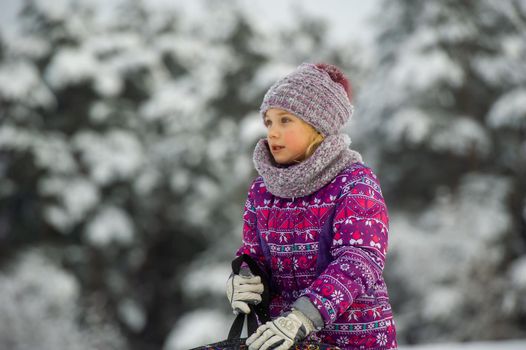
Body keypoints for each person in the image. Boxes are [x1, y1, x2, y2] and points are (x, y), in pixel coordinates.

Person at [226, 63, 397, 350]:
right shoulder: (262, 191)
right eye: (268, 122)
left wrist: (304, 315)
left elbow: (360, 259)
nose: (273, 133)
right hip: (285, 341)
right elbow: (254, 255)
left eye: (285, 120)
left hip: (354, 341)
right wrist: (244, 278)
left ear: (318, 125)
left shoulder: (355, 182)